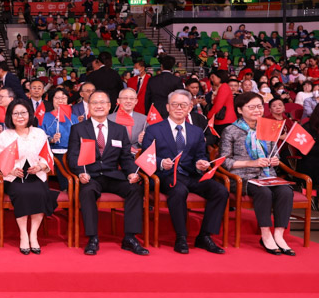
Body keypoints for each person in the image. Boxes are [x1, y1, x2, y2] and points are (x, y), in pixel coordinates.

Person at [142, 90, 228, 254]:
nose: (179, 108)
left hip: (191, 174)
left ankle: (204, 235)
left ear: (190, 107)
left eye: (183, 105)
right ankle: (181, 237)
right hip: (165, 176)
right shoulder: (154, 130)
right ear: (168, 107)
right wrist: (161, 163)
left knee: (220, 190)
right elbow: (147, 156)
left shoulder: (196, 131)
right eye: (174, 104)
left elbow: (200, 155)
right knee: (179, 190)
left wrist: (201, 163)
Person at [67, 90, 148, 256]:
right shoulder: (78, 129)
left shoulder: (119, 130)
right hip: (90, 176)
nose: (98, 106)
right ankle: (92, 238)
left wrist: (132, 173)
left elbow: (125, 157)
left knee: (135, 189)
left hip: (113, 176)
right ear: (89, 106)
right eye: (95, 103)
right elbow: (73, 156)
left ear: (110, 106)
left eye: (102, 102)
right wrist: (80, 173)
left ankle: (130, 238)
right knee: (88, 191)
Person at [220, 92, 295, 256]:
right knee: (264, 192)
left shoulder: (267, 127)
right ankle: (266, 234)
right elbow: (224, 161)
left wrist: (275, 159)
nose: (257, 110)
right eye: (251, 107)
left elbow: (274, 153)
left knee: (286, 190)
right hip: (242, 177)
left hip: (267, 175)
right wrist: (250, 163)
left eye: (260, 106)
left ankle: (279, 235)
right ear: (240, 109)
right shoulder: (231, 130)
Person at [0, 99, 58, 254]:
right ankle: (23, 234)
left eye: (23, 113)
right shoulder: (5, 136)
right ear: (10, 116)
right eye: (15, 113)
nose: (20, 116)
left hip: (36, 174)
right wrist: (11, 169)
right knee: (22, 193)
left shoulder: (39, 133)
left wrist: (41, 166)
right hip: (14, 176)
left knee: (41, 192)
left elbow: (48, 156)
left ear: (30, 114)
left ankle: (33, 234)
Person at [206, 70, 236, 135]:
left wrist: (209, 116)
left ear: (219, 78)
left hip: (225, 120)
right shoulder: (223, 87)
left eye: (213, 77)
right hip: (224, 119)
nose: (212, 80)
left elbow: (218, 105)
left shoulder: (224, 87)